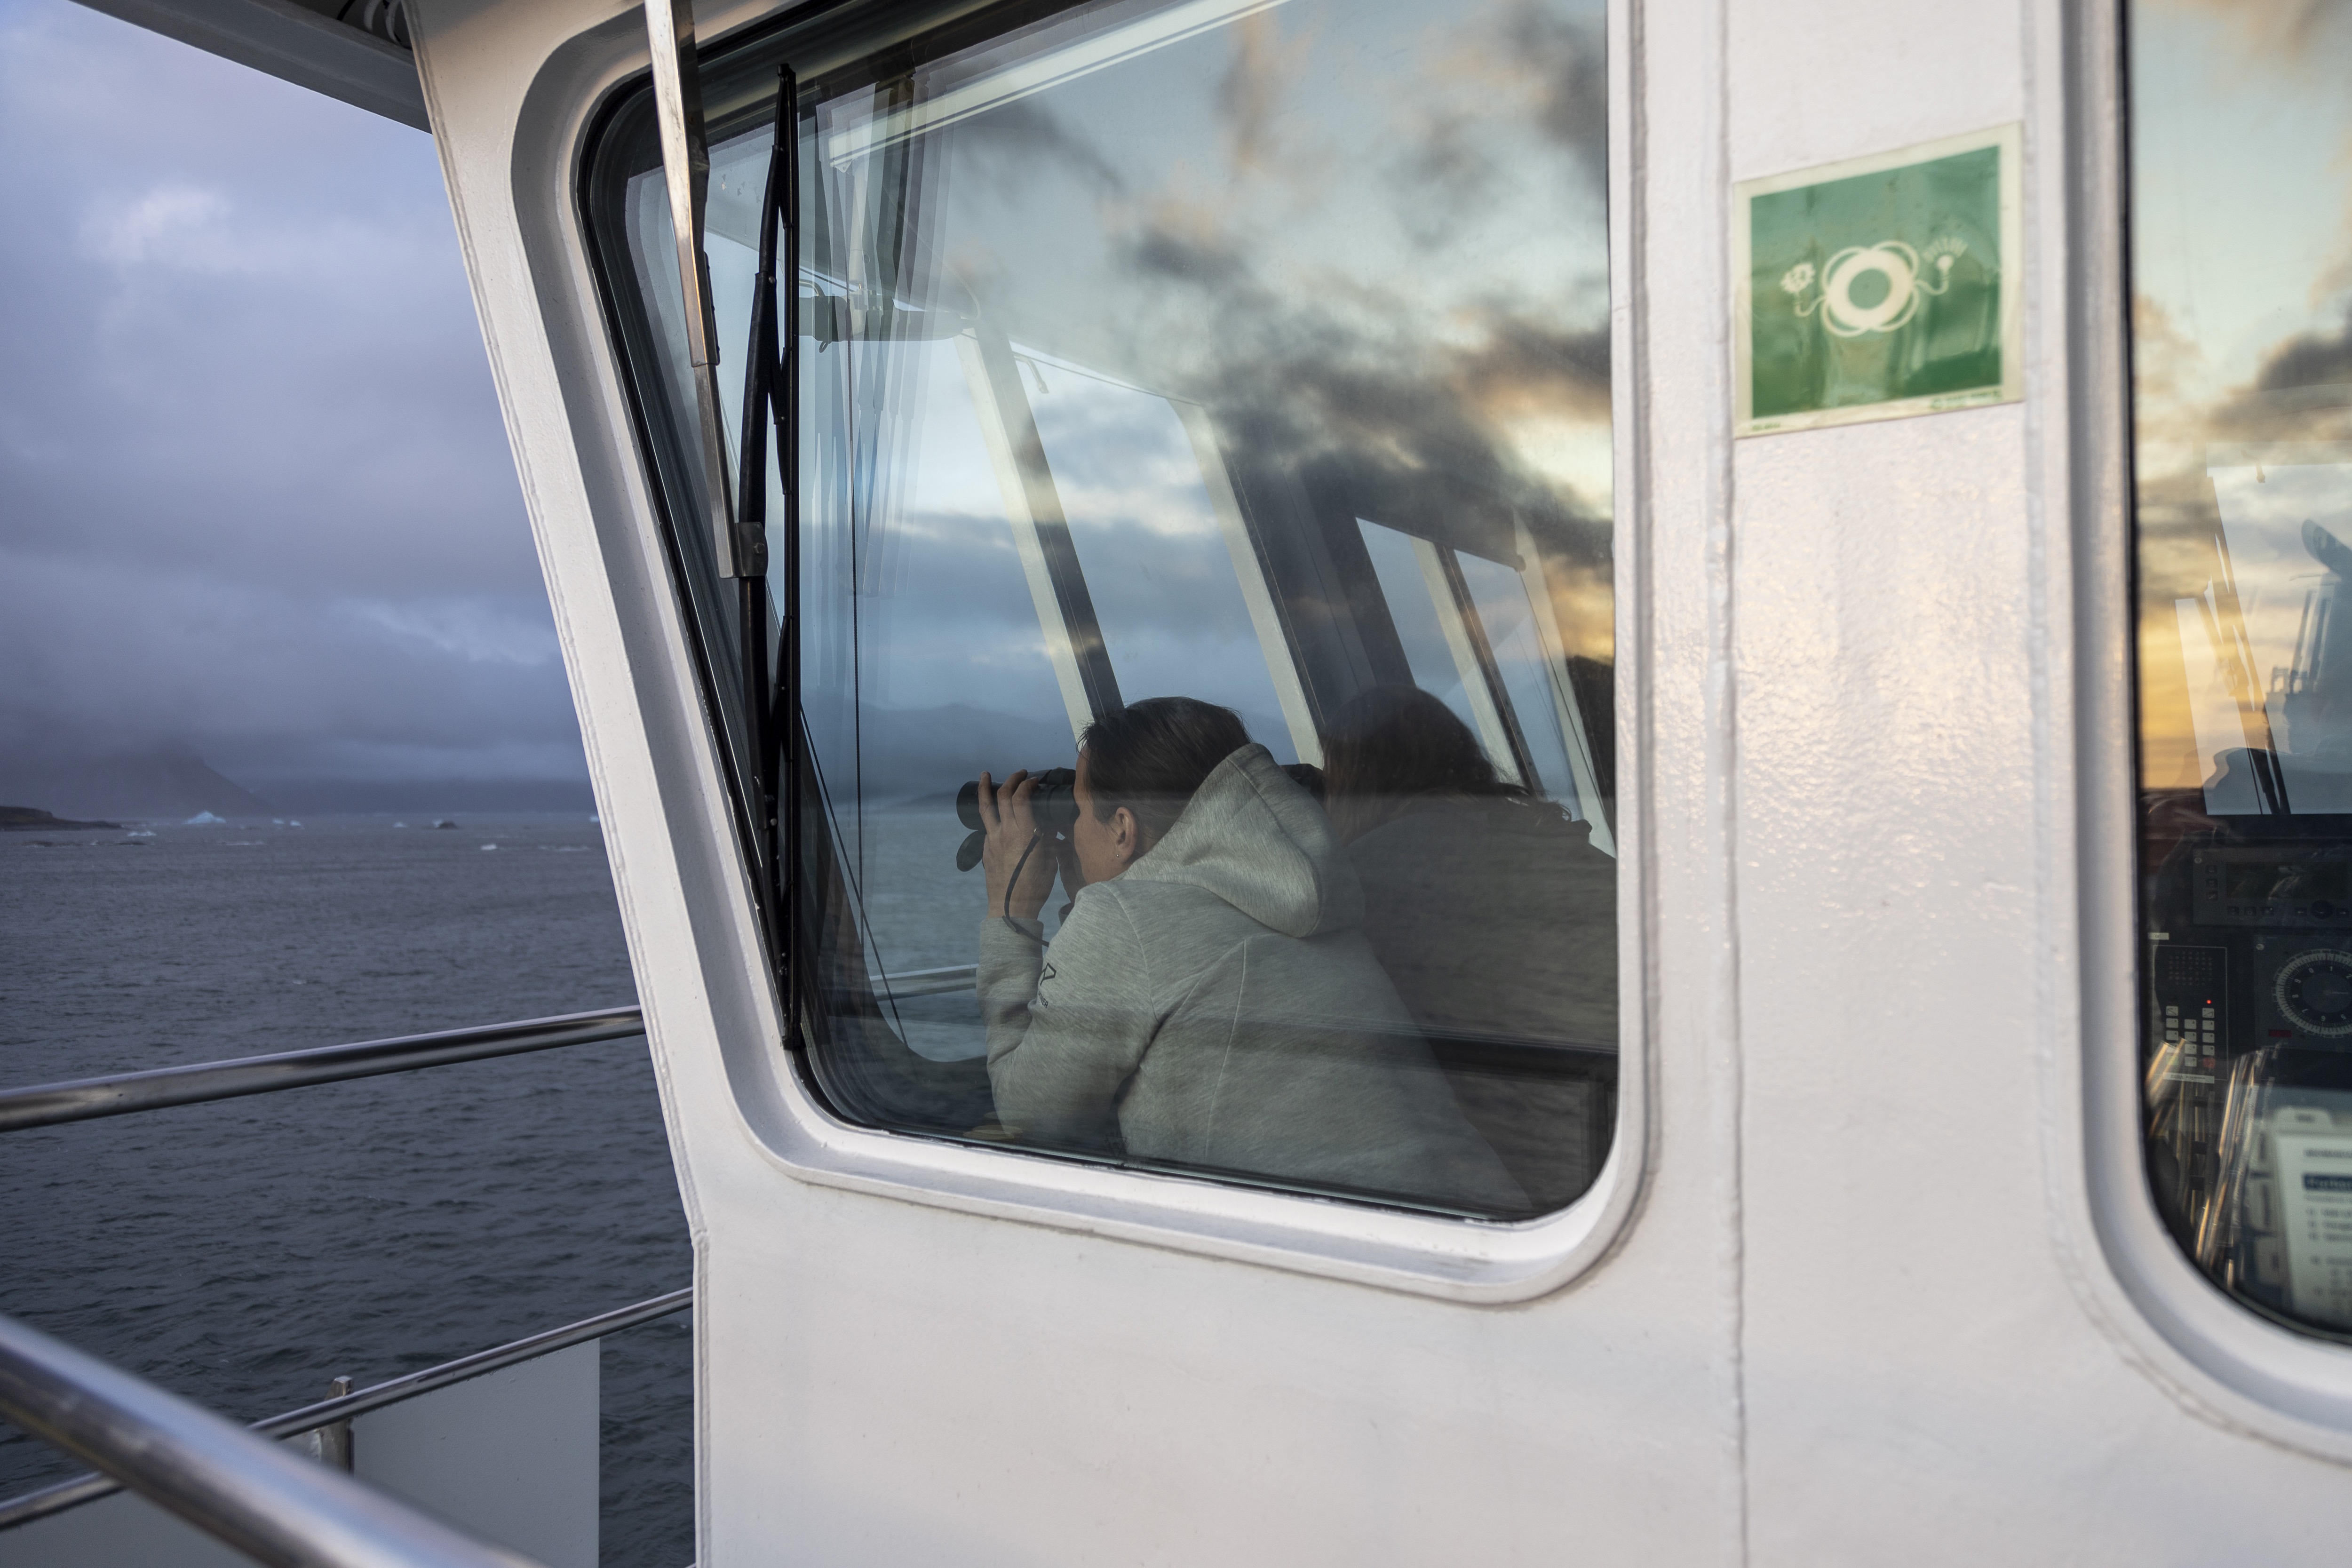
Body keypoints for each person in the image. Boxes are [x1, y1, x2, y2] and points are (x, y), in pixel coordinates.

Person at [972, 696, 1523, 1212]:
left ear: (1122, 829)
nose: (1069, 828)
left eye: (1077, 810)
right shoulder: (1309, 894)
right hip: (1473, 1210)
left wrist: (1009, 912)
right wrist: (1093, 897)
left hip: (1321, 1246)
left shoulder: (1127, 919)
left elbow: (1032, 1113)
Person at [1320, 685, 1618, 1209]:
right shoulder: (1556, 842)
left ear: (1355, 779)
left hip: (1514, 1161)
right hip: (1620, 1125)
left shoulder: (1361, 882)